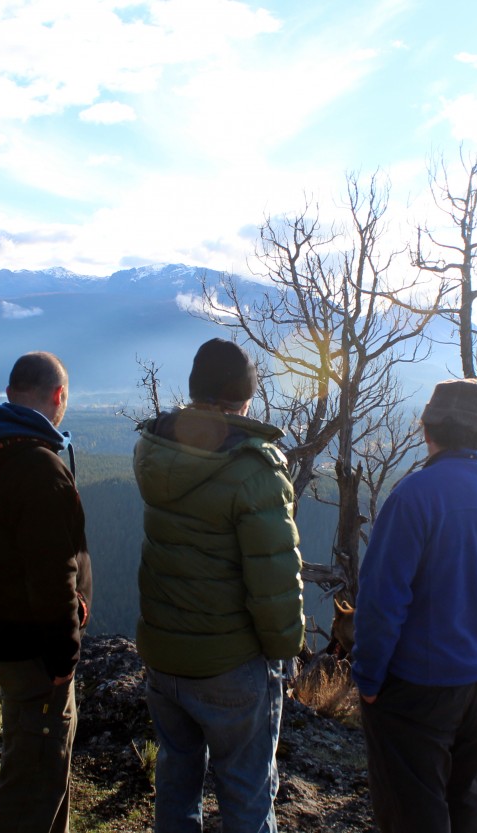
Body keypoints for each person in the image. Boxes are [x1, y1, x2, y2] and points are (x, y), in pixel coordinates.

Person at [133, 338, 305, 833]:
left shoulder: (157, 450)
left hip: (164, 655)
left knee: (176, 783)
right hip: (231, 664)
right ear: (245, 396)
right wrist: (283, 652)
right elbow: (273, 577)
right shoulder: (254, 468)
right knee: (247, 794)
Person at [351, 377, 477, 833]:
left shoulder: (414, 495)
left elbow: (382, 596)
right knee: (466, 810)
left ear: (427, 430)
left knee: (413, 815)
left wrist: (368, 677)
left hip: (417, 685)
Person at [0, 351, 92, 833]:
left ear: (11, 393)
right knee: (35, 772)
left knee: (36, 757)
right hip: (34, 648)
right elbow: (54, 576)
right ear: (58, 396)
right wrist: (63, 659)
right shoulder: (39, 468)